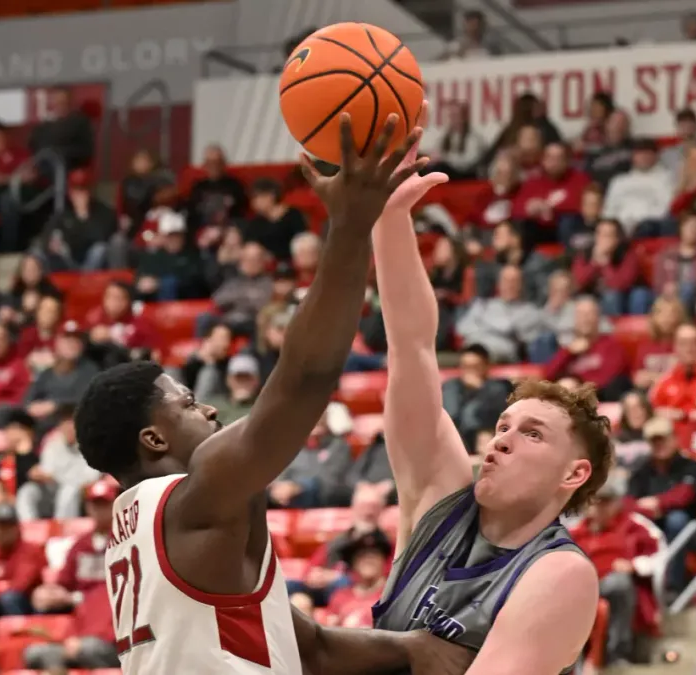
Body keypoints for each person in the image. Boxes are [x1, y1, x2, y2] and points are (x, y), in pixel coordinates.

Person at [75, 113, 471, 674]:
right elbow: (302, 383)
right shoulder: (196, 498)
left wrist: (417, 650)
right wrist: (350, 226)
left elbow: (308, 647)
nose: (208, 408)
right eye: (187, 404)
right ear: (153, 438)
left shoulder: (134, 527)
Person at [369, 103, 605, 674]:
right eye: (502, 427)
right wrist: (386, 219)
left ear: (574, 474)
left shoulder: (560, 573)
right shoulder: (437, 503)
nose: (499, 441)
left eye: (531, 434)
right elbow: (413, 349)